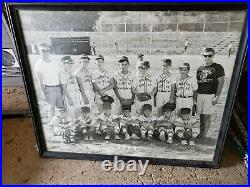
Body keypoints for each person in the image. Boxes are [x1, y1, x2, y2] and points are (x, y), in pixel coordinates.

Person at [196, 47, 225, 139]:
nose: (207, 58)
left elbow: (221, 82)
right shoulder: (200, 68)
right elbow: (198, 83)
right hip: (200, 95)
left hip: (210, 95)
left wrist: (217, 96)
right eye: (205, 56)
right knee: (200, 115)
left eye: (209, 56)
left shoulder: (218, 67)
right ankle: (200, 133)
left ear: (213, 56)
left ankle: (204, 135)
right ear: (202, 56)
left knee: (207, 115)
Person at [35, 43, 64, 121]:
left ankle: (61, 126)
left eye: (47, 51)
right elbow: (40, 82)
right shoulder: (39, 64)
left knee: (61, 107)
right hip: (49, 89)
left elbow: (60, 76)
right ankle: (52, 125)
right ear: (39, 51)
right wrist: (45, 94)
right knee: (52, 108)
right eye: (43, 51)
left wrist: (62, 89)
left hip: (58, 87)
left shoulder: (54, 62)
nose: (45, 53)